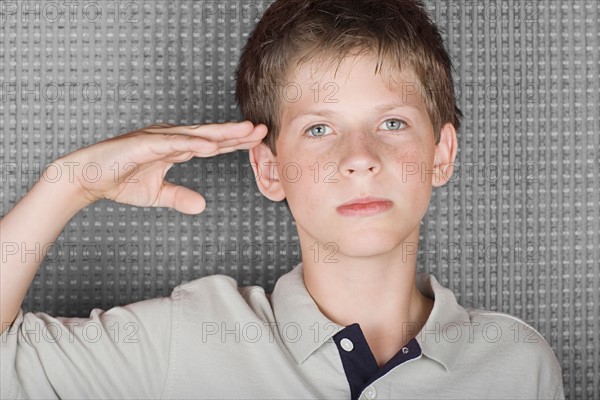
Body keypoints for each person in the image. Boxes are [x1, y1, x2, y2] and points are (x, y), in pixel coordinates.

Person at [1, 0, 564, 398]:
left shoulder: (517, 364)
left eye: (391, 122)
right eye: (319, 129)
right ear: (270, 170)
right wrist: (68, 183)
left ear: (441, 154)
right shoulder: (185, 339)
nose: (359, 156)